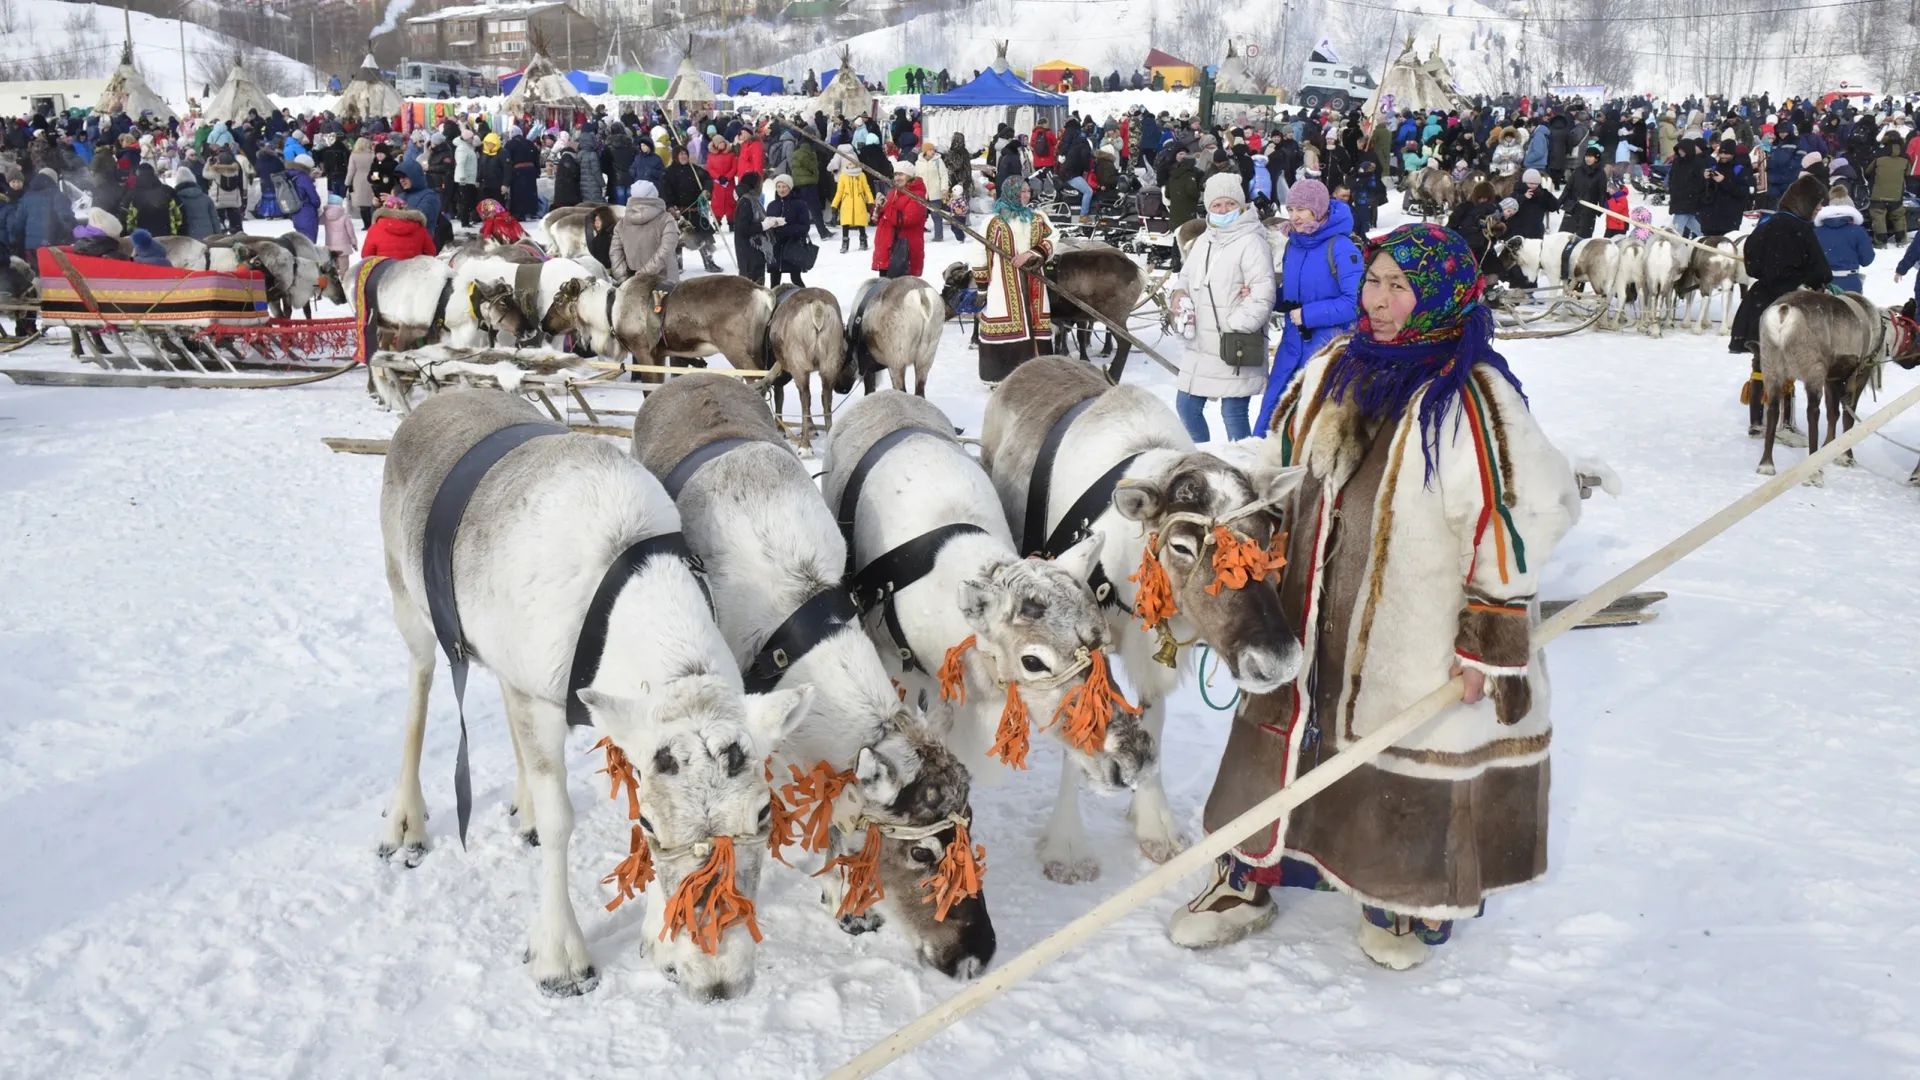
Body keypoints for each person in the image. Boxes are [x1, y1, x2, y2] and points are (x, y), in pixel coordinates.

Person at [1172, 223, 1578, 972]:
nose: (1380, 300)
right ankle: (1248, 876)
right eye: (1374, 281)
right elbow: (1282, 454)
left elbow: (1525, 513)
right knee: (1281, 736)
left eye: (1400, 286)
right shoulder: (1333, 366)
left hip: (1411, 631)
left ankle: (1401, 897)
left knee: (1396, 759)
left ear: (1442, 296)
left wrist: (1485, 641)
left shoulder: (1474, 398)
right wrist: (1225, 486)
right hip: (1305, 608)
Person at [1169, 173, 1274, 442]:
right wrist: (1179, 296)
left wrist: (1236, 324)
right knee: (1187, 406)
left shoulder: (1252, 241)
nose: (1223, 210)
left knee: (1233, 413)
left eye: (1229, 204)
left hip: (1234, 344)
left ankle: (1243, 469)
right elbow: (1185, 277)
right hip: (1202, 344)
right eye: (1217, 205)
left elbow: (1262, 295)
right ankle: (1205, 463)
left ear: (1240, 205)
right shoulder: (1205, 239)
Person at [1255, 178, 1363, 432]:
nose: (1295, 216)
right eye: (1290, 209)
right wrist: (1264, 296)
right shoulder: (1294, 244)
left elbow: (1355, 303)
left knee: (1308, 421)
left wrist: (1308, 314)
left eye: (1302, 210)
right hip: (1291, 345)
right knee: (1273, 410)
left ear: (1319, 209)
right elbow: (1292, 296)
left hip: (1328, 347)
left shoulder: (1342, 247)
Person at [1730, 175, 1830, 434]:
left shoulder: (1766, 224)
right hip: (1791, 303)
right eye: (1818, 203)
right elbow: (1820, 271)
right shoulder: (1802, 230)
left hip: (1760, 301)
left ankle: (1756, 421)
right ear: (1805, 202)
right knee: (1789, 364)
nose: (1819, 208)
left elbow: (1751, 263)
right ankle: (1784, 422)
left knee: (1761, 361)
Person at [971, 175, 1053, 384]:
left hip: (1034, 281)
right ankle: (1001, 376)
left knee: (1035, 323)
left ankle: (1038, 373)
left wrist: (1033, 254)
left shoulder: (1037, 217)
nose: (1026, 195)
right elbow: (979, 253)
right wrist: (982, 287)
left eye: (1028, 191)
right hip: (1001, 284)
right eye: (1021, 192)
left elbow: (1053, 237)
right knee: (1004, 320)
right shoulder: (994, 221)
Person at [610, 180, 680, 285]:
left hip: (633, 284)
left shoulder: (621, 224)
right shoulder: (666, 220)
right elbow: (667, 250)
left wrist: (624, 279)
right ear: (654, 195)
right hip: (666, 282)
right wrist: (645, 273)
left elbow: (615, 254)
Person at [1814, 188, 1873, 294]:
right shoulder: (1858, 231)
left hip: (1823, 285)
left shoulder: (1816, 232)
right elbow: (1867, 260)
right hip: (1850, 283)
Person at [872, 167, 927, 279]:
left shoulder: (917, 195)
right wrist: (877, 208)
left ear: (910, 176)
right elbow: (883, 220)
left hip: (903, 252)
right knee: (885, 292)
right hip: (887, 251)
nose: (897, 178)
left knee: (902, 292)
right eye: (895, 174)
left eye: (901, 174)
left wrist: (886, 206)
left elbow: (905, 221)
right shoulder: (894, 193)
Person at [765, 174, 815, 287]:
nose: (781, 190)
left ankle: (805, 300)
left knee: (796, 279)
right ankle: (775, 304)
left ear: (790, 187)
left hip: (793, 247)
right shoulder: (772, 205)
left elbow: (804, 227)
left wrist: (784, 229)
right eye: (778, 187)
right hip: (775, 248)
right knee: (774, 282)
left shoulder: (800, 204)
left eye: (784, 187)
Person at [360, 193, 437, 259]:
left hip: (385, 273)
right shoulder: (419, 228)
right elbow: (431, 253)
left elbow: (366, 256)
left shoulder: (375, 229)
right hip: (413, 273)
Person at [1867, 133, 1909, 246]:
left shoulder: (1878, 157)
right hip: (1896, 193)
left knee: (1878, 215)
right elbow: (1908, 173)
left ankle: (1881, 241)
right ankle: (1901, 239)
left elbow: (1868, 171)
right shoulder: (1905, 158)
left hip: (1878, 193)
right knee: (1898, 215)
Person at [830, 147, 874, 253]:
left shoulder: (861, 175)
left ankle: (863, 240)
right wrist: (834, 205)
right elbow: (839, 192)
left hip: (859, 202)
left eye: (854, 163)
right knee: (845, 223)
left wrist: (870, 201)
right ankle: (845, 242)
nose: (852, 165)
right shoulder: (843, 176)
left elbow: (866, 189)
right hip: (847, 203)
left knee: (860, 223)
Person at [1562, 146, 1609, 237]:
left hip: (1588, 210)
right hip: (1573, 207)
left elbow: (1601, 193)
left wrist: (1601, 208)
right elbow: (1568, 188)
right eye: (1587, 156)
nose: (1588, 159)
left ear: (1596, 158)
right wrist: (1559, 202)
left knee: (1582, 238)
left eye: (1591, 157)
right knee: (1565, 236)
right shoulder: (1578, 171)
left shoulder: (1600, 174)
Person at [734, 171, 769, 285]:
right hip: (748, 251)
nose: (762, 185)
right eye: (760, 183)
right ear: (754, 184)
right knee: (750, 287)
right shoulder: (746, 201)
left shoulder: (753, 199)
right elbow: (743, 229)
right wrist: (763, 226)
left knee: (758, 284)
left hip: (757, 249)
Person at [1508, 168, 1558, 240]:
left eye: (1536, 184)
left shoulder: (1542, 194)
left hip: (1537, 234)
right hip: (1519, 234)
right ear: (1524, 182)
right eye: (1531, 183)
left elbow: (1554, 207)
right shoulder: (1517, 193)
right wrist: (1523, 197)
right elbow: (1508, 208)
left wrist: (1547, 196)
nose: (1533, 186)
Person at [171, 166, 218, 240]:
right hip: (208, 236)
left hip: (188, 238)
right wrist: (218, 236)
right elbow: (215, 219)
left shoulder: (176, 200)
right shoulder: (206, 198)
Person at [320, 193, 357, 283]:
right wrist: (354, 242)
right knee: (344, 267)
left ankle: (334, 280)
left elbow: (318, 221)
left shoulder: (325, 215)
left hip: (330, 245)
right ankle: (345, 281)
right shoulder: (344, 216)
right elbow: (350, 230)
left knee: (334, 265)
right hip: (343, 246)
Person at [285, 154, 322, 242]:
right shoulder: (303, 177)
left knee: (301, 242)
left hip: (295, 212)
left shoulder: (290, 174)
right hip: (307, 212)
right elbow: (314, 198)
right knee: (309, 243)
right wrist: (317, 204)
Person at [347, 137, 377, 227]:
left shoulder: (353, 155)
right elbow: (376, 168)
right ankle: (372, 221)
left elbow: (351, 170)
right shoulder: (372, 155)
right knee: (371, 201)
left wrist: (347, 182)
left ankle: (366, 224)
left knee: (362, 204)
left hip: (358, 179)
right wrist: (376, 179)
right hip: (371, 179)